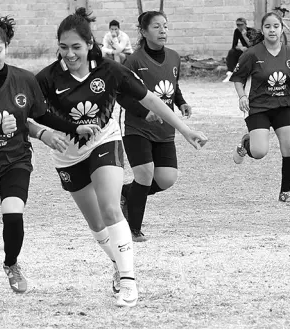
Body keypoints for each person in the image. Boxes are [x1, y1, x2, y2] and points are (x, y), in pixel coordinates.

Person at [35, 7, 207, 307]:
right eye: (63, 47)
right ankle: (118, 263)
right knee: (97, 224)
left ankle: (128, 282)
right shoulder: (47, 78)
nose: (70, 54)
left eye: (76, 46)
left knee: (111, 208)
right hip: (68, 157)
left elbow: (150, 99)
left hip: (105, 141)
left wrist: (184, 128)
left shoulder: (110, 71)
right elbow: (25, 115)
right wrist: (44, 134)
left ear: (90, 44)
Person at [0, 6, 97, 296]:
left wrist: (74, 128)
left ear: (6, 47)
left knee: (13, 214)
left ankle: (11, 264)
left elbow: (42, 115)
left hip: (16, 159)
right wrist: (1, 128)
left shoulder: (24, 79)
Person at [116, 11, 191, 242]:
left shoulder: (174, 57)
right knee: (145, 174)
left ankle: (126, 193)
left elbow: (172, 86)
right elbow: (121, 94)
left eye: (165, 27)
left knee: (167, 178)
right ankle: (133, 229)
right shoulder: (134, 61)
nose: (163, 31)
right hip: (137, 128)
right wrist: (143, 111)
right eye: (157, 27)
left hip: (165, 129)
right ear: (143, 31)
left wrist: (181, 102)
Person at [230, 12, 290, 203]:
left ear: (281, 29)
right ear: (263, 29)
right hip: (258, 107)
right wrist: (242, 96)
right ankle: (246, 144)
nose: (272, 30)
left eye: (276, 26)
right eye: (268, 26)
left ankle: (285, 193)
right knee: (259, 152)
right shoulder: (251, 54)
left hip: (283, 105)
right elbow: (238, 79)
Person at [223, 18, 256, 82]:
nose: (240, 27)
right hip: (244, 49)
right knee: (232, 52)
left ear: (245, 24)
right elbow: (234, 45)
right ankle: (230, 72)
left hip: (252, 49)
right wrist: (240, 48)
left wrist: (244, 35)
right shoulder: (237, 31)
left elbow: (251, 45)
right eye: (238, 25)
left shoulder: (251, 31)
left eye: (241, 25)